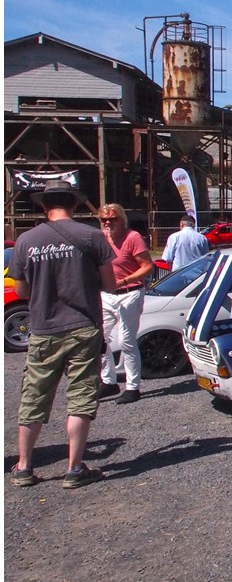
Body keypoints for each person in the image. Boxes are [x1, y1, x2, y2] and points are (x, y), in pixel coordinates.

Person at [10, 180, 116, 488]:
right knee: (81, 397)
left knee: (34, 397)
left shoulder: (26, 241)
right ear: (74, 204)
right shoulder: (93, 236)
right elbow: (110, 285)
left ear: (44, 206)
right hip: (84, 326)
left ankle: (25, 467)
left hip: (43, 327)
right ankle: (73, 468)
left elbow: (21, 290)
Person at [97, 203, 155, 405]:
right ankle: (108, 381)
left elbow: (148, 266)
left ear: (121, 219)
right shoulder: (102, 238)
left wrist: (123, 281)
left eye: (112, 219)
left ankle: (133, 387)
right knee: (99, 338)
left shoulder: (133, 238)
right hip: (107, 294)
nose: (107, 222)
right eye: (104, 219)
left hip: (129, 292)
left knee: (126, 340)